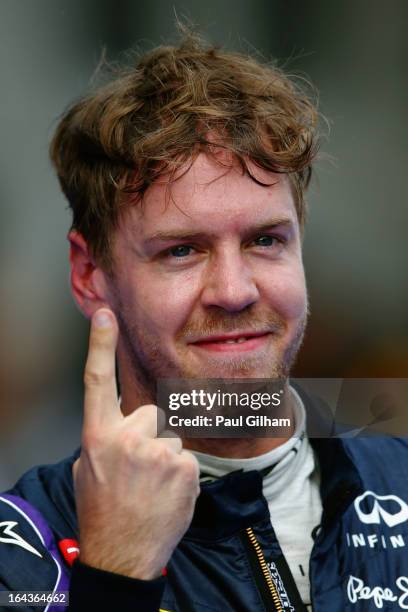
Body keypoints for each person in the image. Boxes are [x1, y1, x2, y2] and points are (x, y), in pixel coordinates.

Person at [1, 29, 407, 612]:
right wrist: (116, 574)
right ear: (90, 274)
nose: (235, 292)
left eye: (266, 240)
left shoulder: (398, 478)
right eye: (182, 251)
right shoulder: (22, 547)